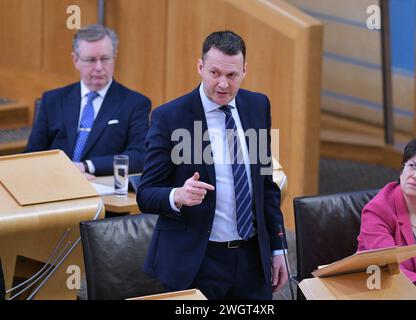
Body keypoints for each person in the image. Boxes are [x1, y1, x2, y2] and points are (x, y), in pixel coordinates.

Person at [137, 30, 288, 299]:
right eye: (215, 73)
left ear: (244, 70)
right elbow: (146, 194)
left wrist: (278, 248)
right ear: (200, 67)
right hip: (197, 262)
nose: (223, 84)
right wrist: (178, 195)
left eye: (232, 75)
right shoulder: (169, 117)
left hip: (252, 261)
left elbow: (266, 185)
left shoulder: (258, 105)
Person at [26, 24, 151, 179]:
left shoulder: (135, 104)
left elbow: (139, 157)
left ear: (115, 57)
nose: (99, 67)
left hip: (102, 187)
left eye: (105, 59)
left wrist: (86, 166)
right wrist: (62, 172)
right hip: (55, 183)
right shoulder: (52, 100)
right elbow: (32, 156)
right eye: (91, 60)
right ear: (75, 60)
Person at [357, 137, 416, 297]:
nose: (415, 175)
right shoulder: (378, 210)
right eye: (412, 166)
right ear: (402, 172)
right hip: (383, 293)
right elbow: (385, 264)